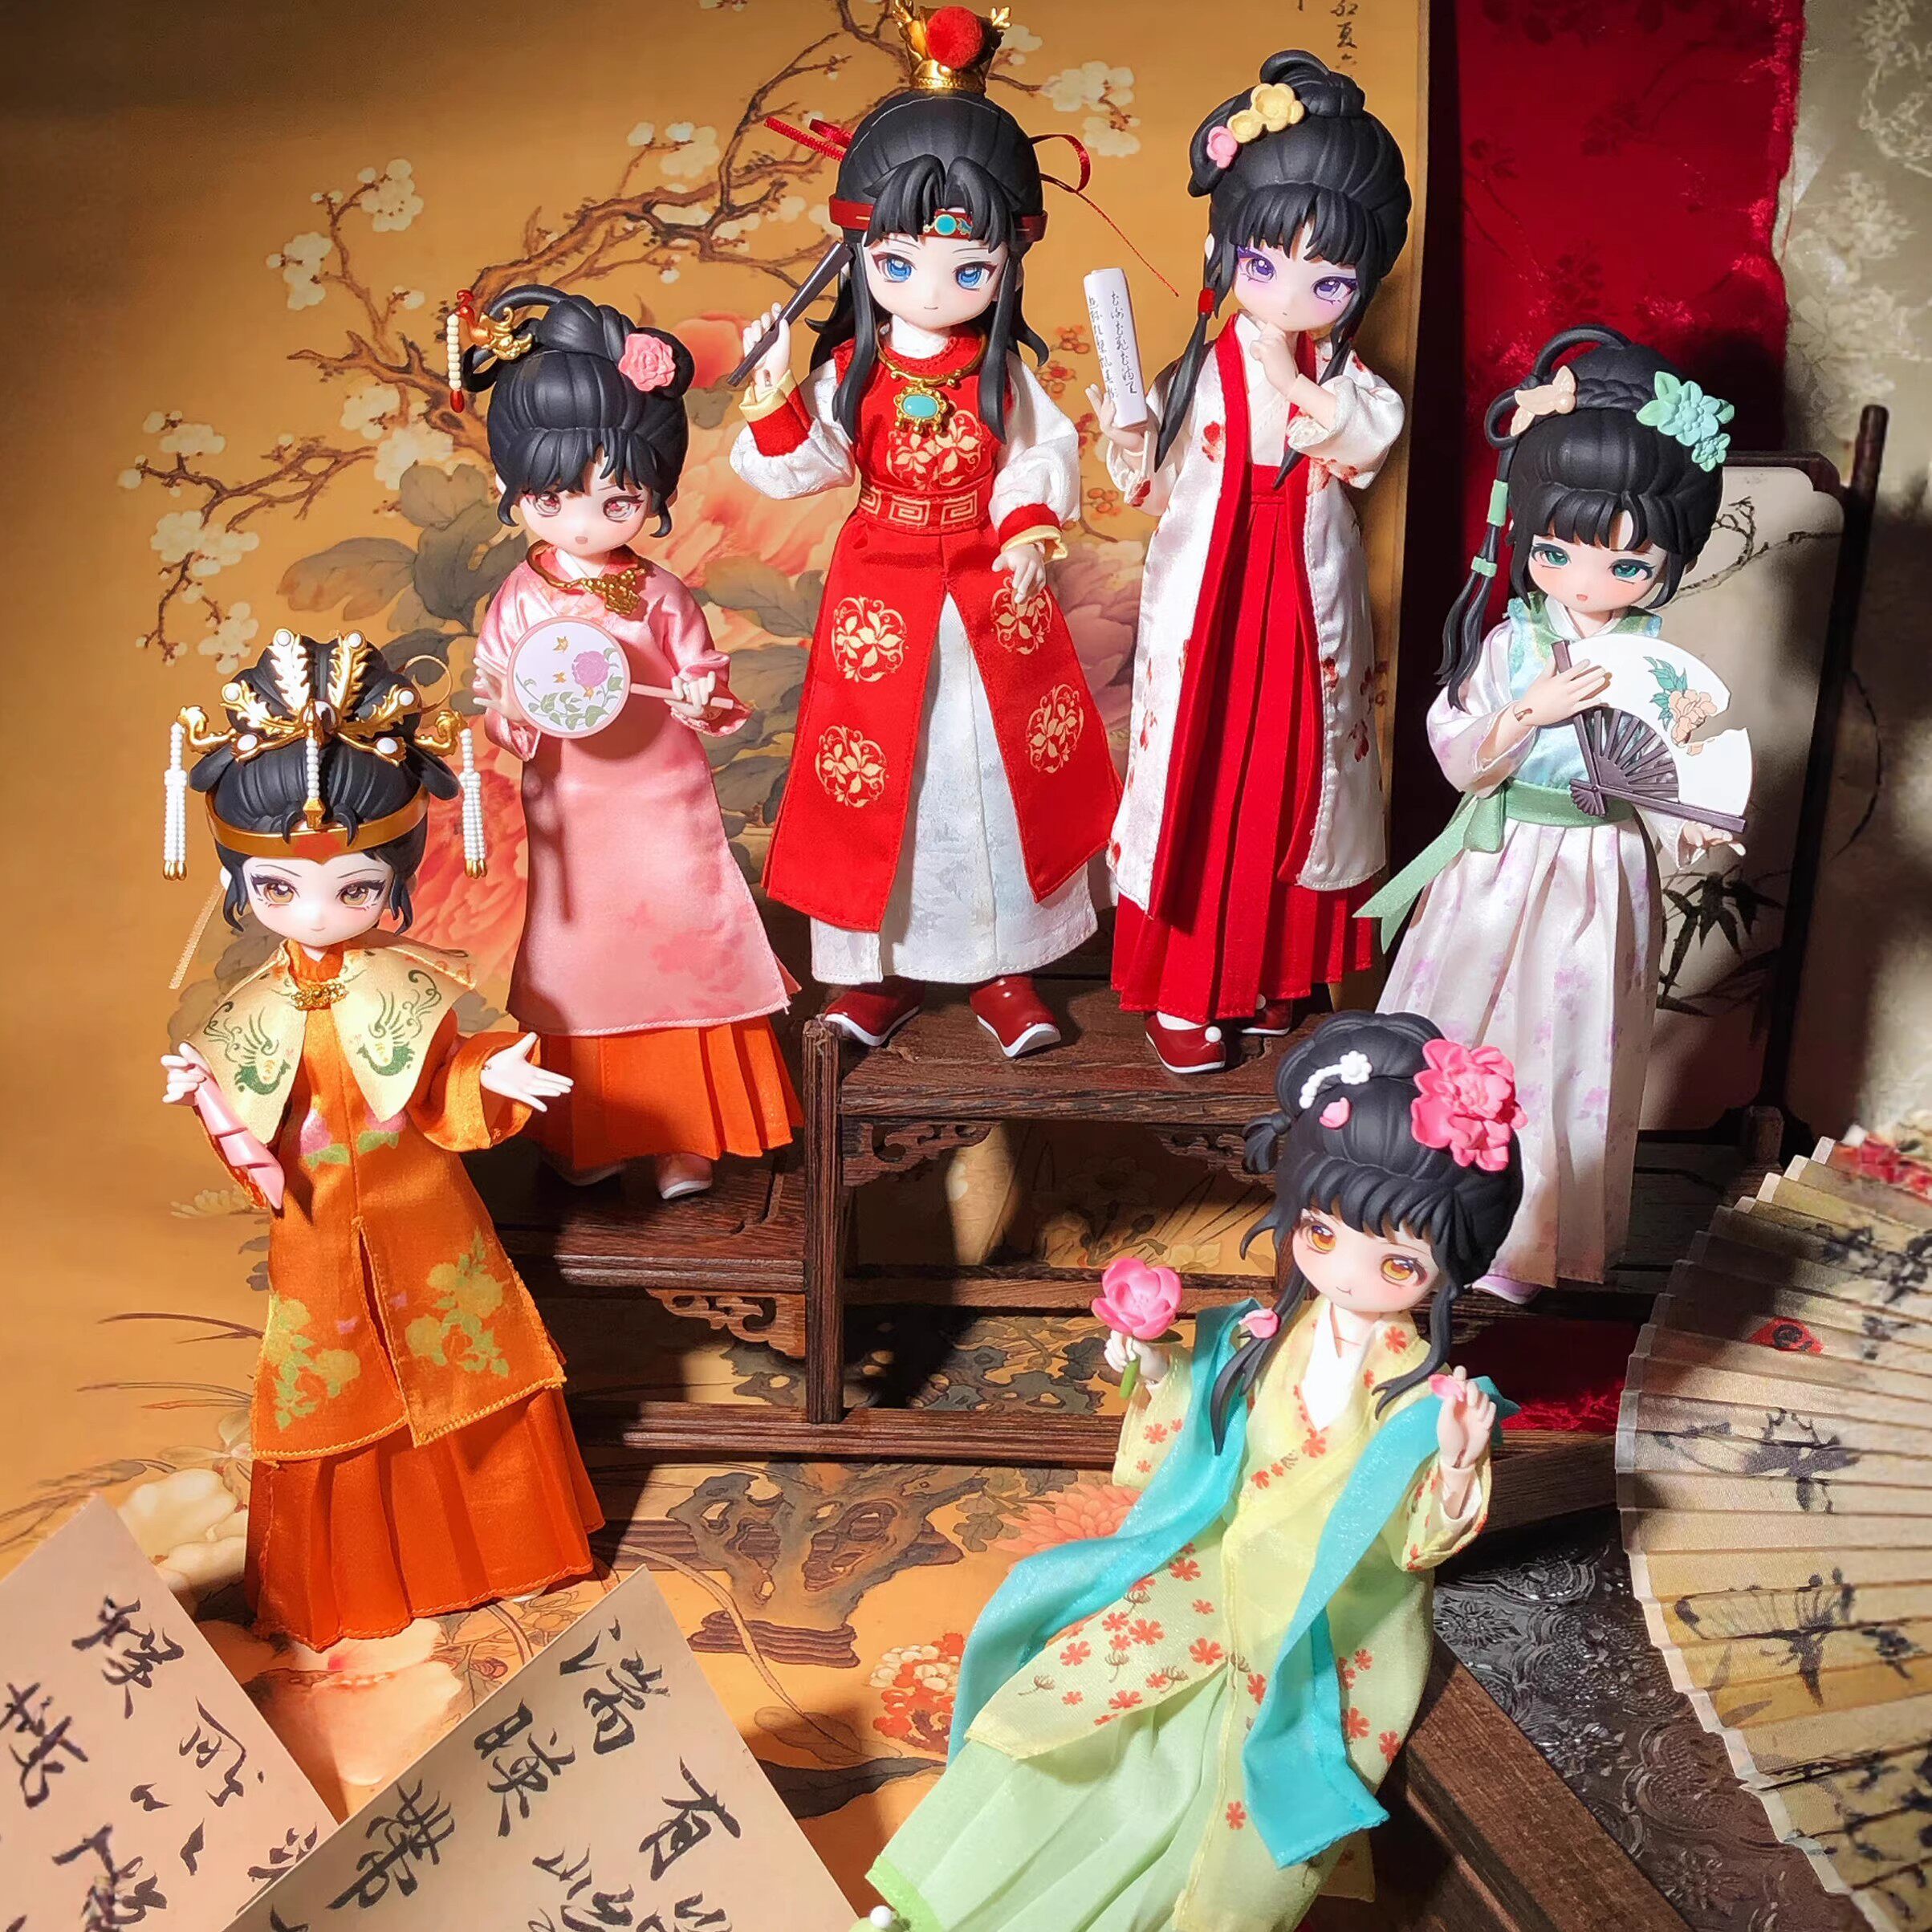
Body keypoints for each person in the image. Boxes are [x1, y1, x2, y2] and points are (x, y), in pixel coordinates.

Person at [860, 1011, 1521, 1931]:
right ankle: (947, 1900)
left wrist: (1452, 1465)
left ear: (1448, 1271)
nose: (1348, 1271)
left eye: (1398, 1261)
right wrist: (1158, 1363)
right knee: (1077, 1707)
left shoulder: (1421, 1393)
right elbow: (1199, 1415)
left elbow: (1413, 1545)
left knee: (1204, 1787)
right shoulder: (1268, 1332)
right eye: (1322, 1231)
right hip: (1211, 1550)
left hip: (1319, 1610)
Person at [161, 629, 601, 1649]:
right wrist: (211, 1097)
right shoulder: (246, 1010)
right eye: (279, 888)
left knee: (467, 1368)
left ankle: (501, 1552)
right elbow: (257, 1146)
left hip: (427, 1216)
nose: (318, 912)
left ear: (394, 879)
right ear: (242, 884)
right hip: (319, 1231)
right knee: (331, 1388)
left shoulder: (409, 987)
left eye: (356, 888)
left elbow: (441, 1080)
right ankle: (356, 1583)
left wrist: (488, 1073)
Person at [730, 2, 1119, 1060]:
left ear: (1007, 264)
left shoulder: (1001, 375)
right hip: (880, 591)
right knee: (875, 782)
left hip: (991, 589)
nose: (933, 290)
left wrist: (1028, 527)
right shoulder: (849, 372)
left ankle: (1007, 967)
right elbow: (799, 466)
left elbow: (1038, 456)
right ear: (860, 253)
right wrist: (772, 398)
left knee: (994, 779)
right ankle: (874, 973)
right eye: (897, 263)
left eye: (968, 269)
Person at [1096, 51, 1409, 1076]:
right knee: (1203, 779)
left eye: (1328, 279)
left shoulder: (1346, 376)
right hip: (1217, 590)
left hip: (1299, 592)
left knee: (1294, 780)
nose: (1289, 294)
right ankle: (1187, 989)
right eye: (1264, 265)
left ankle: (1277, 969)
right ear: (1224, 249)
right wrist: (1131, 434)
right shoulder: (1202, 368)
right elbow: (1152, 491)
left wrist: (1294, 375)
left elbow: (1361, 446)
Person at [465, 287, 799, 1198]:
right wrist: (512, 716)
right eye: (553, 497)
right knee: (582, 959)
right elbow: (496, 695)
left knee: (685, 944)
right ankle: (590, 1130)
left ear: (653, 498)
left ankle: (688, 1133)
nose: (583, 522)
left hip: (661, 801)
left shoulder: (660, 594)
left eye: (616, 501)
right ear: (513, 492)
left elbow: (708, 682)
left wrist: (700, 698)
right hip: (573, 807)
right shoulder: (518, 599)